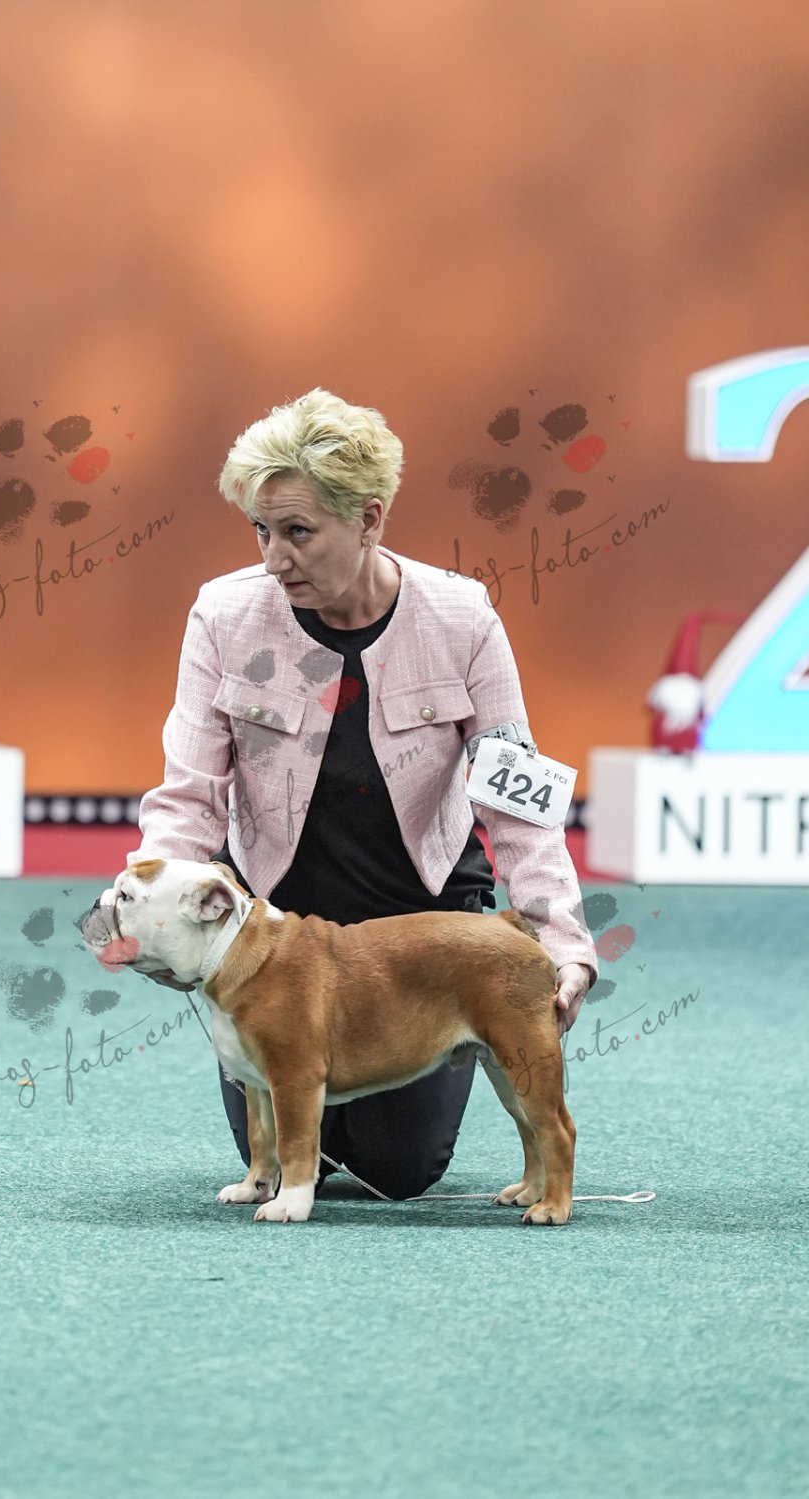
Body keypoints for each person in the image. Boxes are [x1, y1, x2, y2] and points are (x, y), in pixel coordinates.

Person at [125, 388, 596, 1199]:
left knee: (397, 1167)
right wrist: (156, 907)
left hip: (422, 935)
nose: (275, 558)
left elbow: (518, 804)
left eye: (298, 531)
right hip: (276, 935)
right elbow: (189, 796)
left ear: (369, 518)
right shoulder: (224, 615)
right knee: (285, 1140)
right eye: (261, 530)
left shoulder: (463, 618)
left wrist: (563, 944)